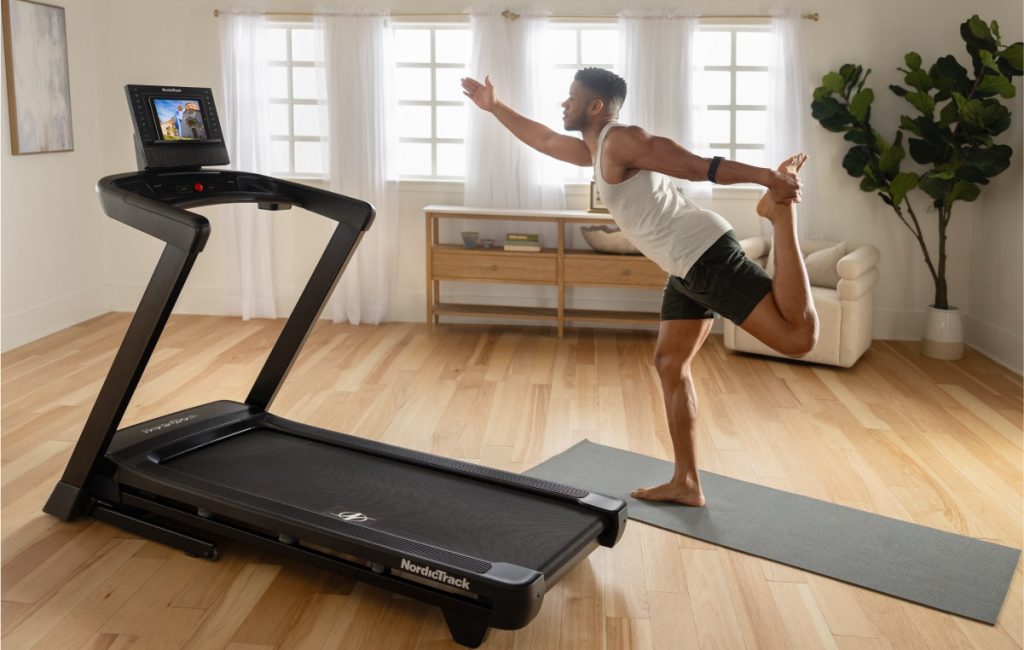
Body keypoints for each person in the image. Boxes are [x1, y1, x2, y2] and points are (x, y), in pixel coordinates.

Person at [461, 68, 819, 507]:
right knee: (670, 363)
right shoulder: (594, 149)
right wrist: (494, 107)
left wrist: (768, 178)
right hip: (683, 265)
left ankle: (780, 214)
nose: (563, 104)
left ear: (596, 107)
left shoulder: (621, 140)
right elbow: (544, 140)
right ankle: (687, 482)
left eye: (571, 99)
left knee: (798, 338)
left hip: (702, 253)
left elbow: (692, 164)